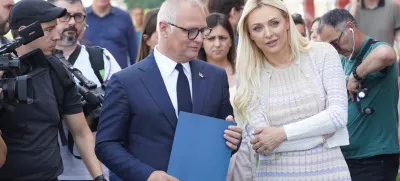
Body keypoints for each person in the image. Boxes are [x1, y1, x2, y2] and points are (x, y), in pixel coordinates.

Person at [95, 0, 243, 181]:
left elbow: (225, 134)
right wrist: (148, 175)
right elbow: (106, 144)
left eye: (203, 31)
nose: (199, 38)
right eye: (191, 31)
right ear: (164, 28)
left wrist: (233, 139)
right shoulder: (126, 81)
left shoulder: (215, 77)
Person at [230, 0, 351, 180]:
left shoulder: (323, 54)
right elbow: (263, 142)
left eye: (274, 23)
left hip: (331, 173)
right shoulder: (248, 77)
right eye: (258, 28)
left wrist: (280, 134)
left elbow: (338, 116)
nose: (268, 34)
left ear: (287, 22)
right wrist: (319, 133)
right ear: (249, 35)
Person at [0, 0, 107, 181]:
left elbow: (81, 131)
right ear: (27, 31)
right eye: (49, 30)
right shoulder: (3, 72)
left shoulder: (57, 70)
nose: (58, 36)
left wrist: (99, 177)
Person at [318, 8, 399, 181]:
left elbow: (386, 54)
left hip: (374, 158)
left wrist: (356, 75)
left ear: (350, 27)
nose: (335, 49)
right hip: (346, 157)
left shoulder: (375, 49)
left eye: (335, 42)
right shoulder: (342, 59)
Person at [49, 0, 121, 180]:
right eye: (65, 15)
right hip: (48, 169)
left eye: (78, 16)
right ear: (50, 20)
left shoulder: (102, 59)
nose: (72, 22)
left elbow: (122, 106)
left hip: (94, 170)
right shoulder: (34, 63)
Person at [84, 0, 137, 69]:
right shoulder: (81, 16)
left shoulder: (124, 17)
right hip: (87, 74)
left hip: (118, 74)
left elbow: (133, 50)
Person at [197, 12, 236, 102]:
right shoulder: (192, 75)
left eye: (222, 38)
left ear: (231, 41)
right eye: (211, 39)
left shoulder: (244, 71)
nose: (217, 44)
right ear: (202, 42)